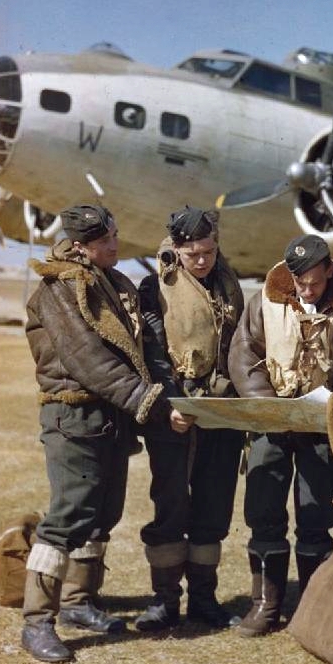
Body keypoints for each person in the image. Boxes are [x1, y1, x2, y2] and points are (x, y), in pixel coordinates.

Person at [22, 204, 172, 663]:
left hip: (109, 418)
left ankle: (78, 602)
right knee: (67, 518)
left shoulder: (110, 281)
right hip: (73, 419)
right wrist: (146, 399)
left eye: (115, 235)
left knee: (101, 514)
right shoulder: (59, 288)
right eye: (106, 241)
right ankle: (36, 623)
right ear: (82, 247)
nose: (115, 245)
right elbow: (88, 359)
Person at [227, 234, 333, 637]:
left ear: (329, 272)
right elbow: (244, 353)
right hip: (272, 420)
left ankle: (311, 608)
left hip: (321, 423)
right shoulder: (265, 298)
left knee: (317, 516)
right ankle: (265, 605)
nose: (306, 289)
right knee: (264, 511)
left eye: (314, 282)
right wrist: (268, 406)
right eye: (299, 282)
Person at [136, 206, 245, 630]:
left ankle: (204, 598)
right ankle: (165, 601)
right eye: (193, 253)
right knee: (170, 507)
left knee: (213, 507)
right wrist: (171, 406)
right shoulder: (154, 288)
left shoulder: (229, 283)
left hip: (222, 414)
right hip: (173, 416)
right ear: (177, 248)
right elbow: (152, 352)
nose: (202, 261)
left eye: (209, 251)